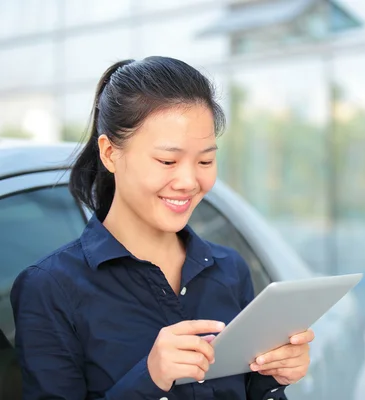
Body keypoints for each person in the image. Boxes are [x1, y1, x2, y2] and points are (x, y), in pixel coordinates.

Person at [10, 56, 314, 400]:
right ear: (110, 153)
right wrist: (150, 378)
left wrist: (272, 378)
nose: (188, 181)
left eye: (205, 161)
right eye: (167, 161)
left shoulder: (230, 270)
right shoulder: (50, 289)